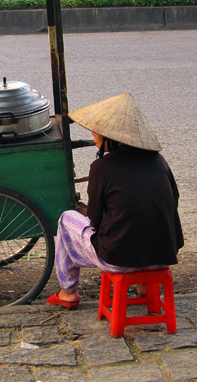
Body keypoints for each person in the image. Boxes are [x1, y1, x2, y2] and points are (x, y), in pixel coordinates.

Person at [47, 93, 184, 309]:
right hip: (163, 253)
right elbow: (172, 201)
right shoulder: (159, 161)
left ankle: (68, 292)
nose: (93, 135)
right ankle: (144, 287)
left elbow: (94, 219)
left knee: (66, 219)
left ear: (111, 137)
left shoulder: (102, 167)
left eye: (96, 132)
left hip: (119, 259)